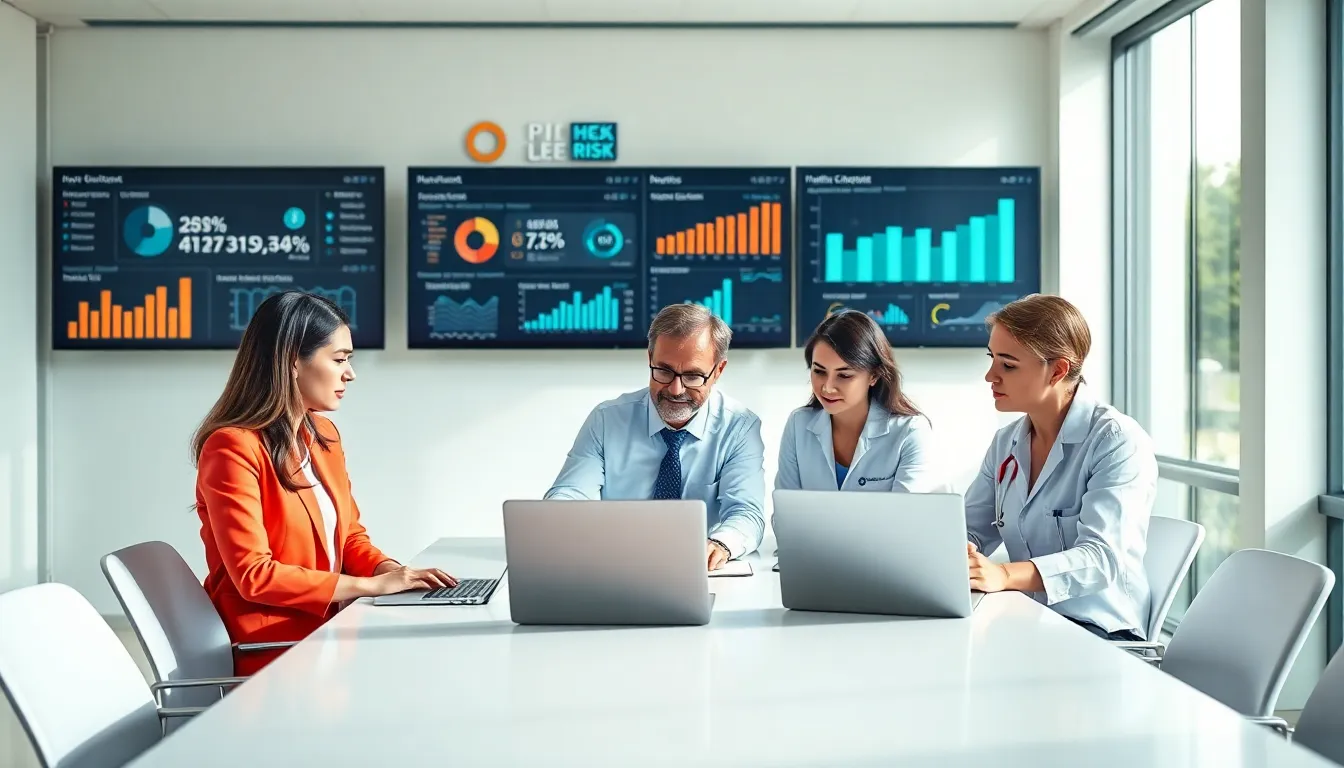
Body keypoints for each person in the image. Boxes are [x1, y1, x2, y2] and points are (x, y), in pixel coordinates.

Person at [192, 291, 456, 675]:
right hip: (274, 650)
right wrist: (371, 588)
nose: (350, 373)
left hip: (330, 632)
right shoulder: (232, 448)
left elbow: (349, 538)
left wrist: (390, 571)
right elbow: (254, 576)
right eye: (339, 359)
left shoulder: (323, 436)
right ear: (291, 362)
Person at [964, 293, 1157, 641]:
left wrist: (1004, 575)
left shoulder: (1117, 440)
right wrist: (954, 551)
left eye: (1008, 364)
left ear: (1057, 370)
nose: (990, 376)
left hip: (1100, 633)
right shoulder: (1006, 443)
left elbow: (1100, 559)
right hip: (1030, 620)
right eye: (992, 358)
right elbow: (970, 530)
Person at [544, 303, 767, 570]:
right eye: (663, 371)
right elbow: (570, 493)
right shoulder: (607, 420)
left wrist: (720, 544)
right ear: (649, 359)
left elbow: (746, 513)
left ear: (718, 371)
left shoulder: (739, 427)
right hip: (619, 567)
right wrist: (561, 524)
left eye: (693, 376)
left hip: (697, 570)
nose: (675, 389)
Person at [775, 309, 942, 492]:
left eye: (844, 375)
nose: (827, 387)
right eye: (819, 371)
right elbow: (786, 511)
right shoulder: (798, 424)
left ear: (874, 375)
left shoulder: (910, 432)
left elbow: (905, 517)